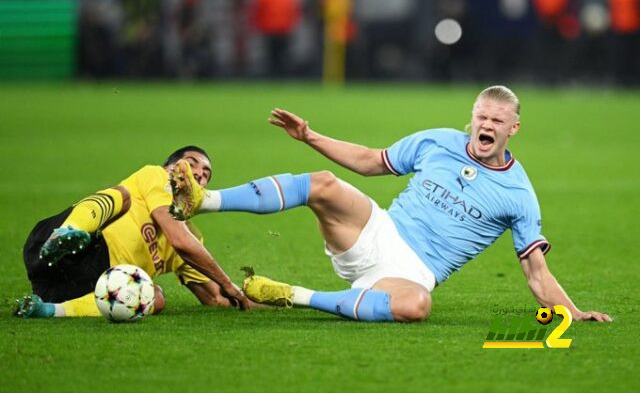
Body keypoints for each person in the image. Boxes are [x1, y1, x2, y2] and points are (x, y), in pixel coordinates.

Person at [171, 86, 611, 323]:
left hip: (411, 274)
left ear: (513, 128)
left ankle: (292, 295)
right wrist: (310, 136)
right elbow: (368, 162)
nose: (486, 124)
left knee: (416, 306)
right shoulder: (437, 141)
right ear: (471, 117)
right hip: (377, 232)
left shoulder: (519, 194)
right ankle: (203, 199)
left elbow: (536, 272)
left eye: (497, 120)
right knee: (324, 184)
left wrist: (572, 313)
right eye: (481, 116)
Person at [15, 146, 250, 318]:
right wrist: (228, 283)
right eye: (192, 163)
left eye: (206, 174)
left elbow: (216, 299)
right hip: (66, 247)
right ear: (170, 167)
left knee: (156, 298)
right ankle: (68, 233)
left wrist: (280, 299)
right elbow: (180, 242)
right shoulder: (156, 176)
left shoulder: (192, 237)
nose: (199, 173)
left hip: (81, 286)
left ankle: (49, 310)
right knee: (122, 196)